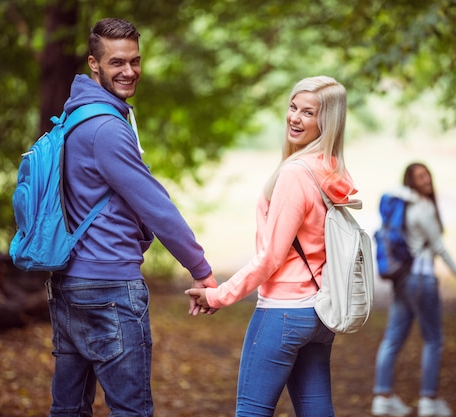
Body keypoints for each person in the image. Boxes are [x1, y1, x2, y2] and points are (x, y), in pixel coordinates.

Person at [46, 18, 218, 417]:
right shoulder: (106, 128)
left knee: (68, 409)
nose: (129, 71)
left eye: (135, 61)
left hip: (69, 286)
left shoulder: (75, 117)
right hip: (109, 290)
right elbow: (154, 205)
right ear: (94, 63)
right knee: (131, 411)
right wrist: (201, 268)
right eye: (116, 62)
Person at [186, 76, 357, 417]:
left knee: (251, 412)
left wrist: (219, 296)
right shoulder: (331, 170)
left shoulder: (296, 173)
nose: (295, 117)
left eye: (308, 112)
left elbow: (271, 257)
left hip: (284, 312)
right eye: (293, 107)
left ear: (327, 121)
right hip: (318, 315)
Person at [372, 163, 456, 417]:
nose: (426, 180)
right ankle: (428, 400)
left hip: (403, 281)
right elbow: (439, 247)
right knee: (433, 340)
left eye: (427, 175)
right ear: (411, 181)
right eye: (420, 176)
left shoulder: (404, 205)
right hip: (422, 279)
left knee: (393, 339)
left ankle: (382, 397)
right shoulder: (422, 208)